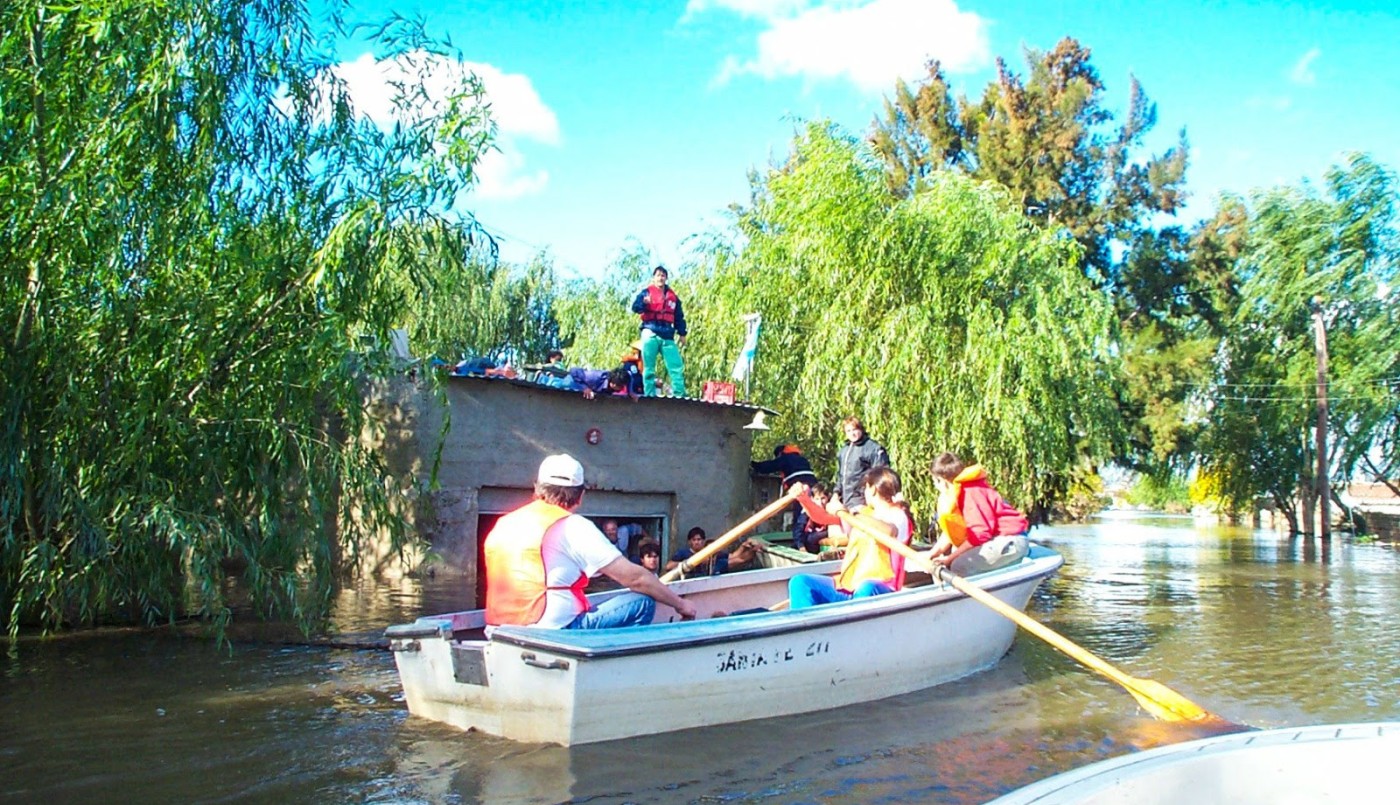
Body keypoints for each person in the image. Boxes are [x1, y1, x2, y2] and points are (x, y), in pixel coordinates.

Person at [482, 454, 696, 629]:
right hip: (554, 631)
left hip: (499, 628)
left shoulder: (503, 523)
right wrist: (680, 604)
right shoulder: (572, 526)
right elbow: (636, 579)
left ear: (536, 487)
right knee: (642, 602)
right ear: (581, 495)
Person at [789, 466, 910, 609]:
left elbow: (889, 531)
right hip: (850, 587)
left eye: (865, 488)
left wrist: (853, 516)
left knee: (866, 588)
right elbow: (822, 518)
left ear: (871, 489)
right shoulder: (862, 512)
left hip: (880, 590)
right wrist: (804, 500)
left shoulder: (898, 515)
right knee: (800, 583)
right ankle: (806, 628)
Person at [925, 452, 1030, 575]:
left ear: (943, 481)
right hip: (994, 539)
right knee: (945, 560)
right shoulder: (954, 494)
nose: (935, 486)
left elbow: (980, 534)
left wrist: (949, 559)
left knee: (959, 565)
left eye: (934, 481)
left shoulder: (970, 493)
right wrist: (932, 553)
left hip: (1011, 540)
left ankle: (964, 594)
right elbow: (951, 531)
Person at [630, 265, 687, 397]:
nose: (660, 278)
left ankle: (680, 393)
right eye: (658, 275)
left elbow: (678, 316)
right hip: (650, 331)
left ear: (666, 278)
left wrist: (682, 333)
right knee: (648, 367)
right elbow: (635, 307)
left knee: (676, 366)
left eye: (663, 276)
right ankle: (649, 394)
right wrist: (644, 303)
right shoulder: (646, 293)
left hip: (667, 333)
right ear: (653, 278)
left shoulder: (673, 297)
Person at [833, 416, 890, 509]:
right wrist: (836, 494)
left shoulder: (872, 448)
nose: (852, 433)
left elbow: (880, 475)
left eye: (854, 429)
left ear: (861, 429)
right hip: (845, 500)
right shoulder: (844, 451)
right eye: (849, 431)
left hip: (863, 500)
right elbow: (840, 475)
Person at [750, 443, 820, 492]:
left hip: (799, 484)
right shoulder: (802, 459)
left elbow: (769, 466)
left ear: (780, 453)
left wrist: (754, 465)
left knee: (799, 506)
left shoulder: (785, 458)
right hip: (813, 483)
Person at [792, 482, 831, 553]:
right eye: (817, 499)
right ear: (812, 499)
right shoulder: (807, 511)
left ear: (827, 498)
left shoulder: (831, 509)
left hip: (821, 544)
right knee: (810, 538)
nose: (820, 502)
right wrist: (801, 547)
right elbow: (798, 530)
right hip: (807, 546)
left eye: (823, 498)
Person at [568, 366, 633, 400]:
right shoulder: (594, 377)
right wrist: (585, 388)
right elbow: (574, 371)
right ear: (613, 384)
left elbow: (629, 377)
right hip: (572, 383)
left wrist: (631, 392)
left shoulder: (622, 380)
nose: (622, 388)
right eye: (620, 386)